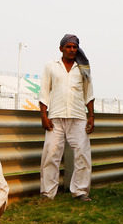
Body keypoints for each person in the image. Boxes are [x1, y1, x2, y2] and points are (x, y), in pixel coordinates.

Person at [39, 34, 95, 201]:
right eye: (68, 47)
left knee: (83, 154)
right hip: (55, 116)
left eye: (74, 47)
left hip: (78, 116)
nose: (72, 50)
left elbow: (89, 94)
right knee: (51, 154)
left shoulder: (83, 68)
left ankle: (80, 191)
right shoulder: (51, 66)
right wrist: (44, 115)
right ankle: (47, 193)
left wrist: (91, 116)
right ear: (61, 48)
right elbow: (44, 92)